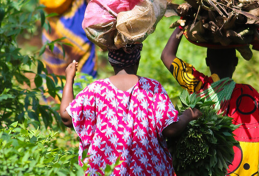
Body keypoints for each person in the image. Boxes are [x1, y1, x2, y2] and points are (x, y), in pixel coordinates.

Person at [161, 27, 259, 176]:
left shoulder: (198, 86)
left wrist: (181, 25)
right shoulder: (250, 96)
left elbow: (167, 55)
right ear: (236, 62)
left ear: (207, 62)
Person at [59, 44, 202, 176]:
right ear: (137, 61)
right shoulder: (152, 88)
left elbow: (66, 116)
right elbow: (171, 129)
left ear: (110, 62)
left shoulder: (96, 89)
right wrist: (188, 115)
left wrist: (69, 78)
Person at [40, 0, 98, 78]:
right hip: (77, 33)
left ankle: (57, 97)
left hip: (53, 29)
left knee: (54, 76)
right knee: (81, 75)